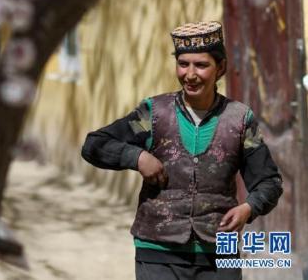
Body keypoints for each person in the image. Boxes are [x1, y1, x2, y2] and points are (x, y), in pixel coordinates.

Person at [81, 21, 283, 280]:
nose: (190, 74)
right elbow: (94, 145)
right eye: (183, 64)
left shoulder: (240, 119)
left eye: (201, 65)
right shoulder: (154, 113)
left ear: (220, 68)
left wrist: (249, 208)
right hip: (157, 251)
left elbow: (270, 182)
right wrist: (137, 156)